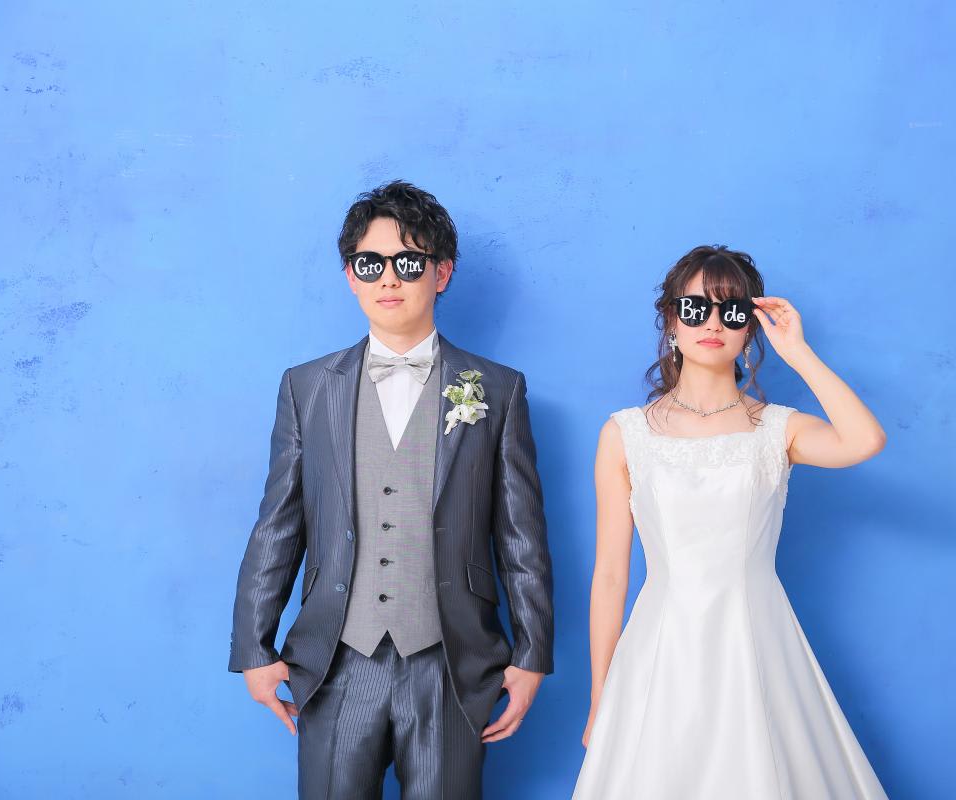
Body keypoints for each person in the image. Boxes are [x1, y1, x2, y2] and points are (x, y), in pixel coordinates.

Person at [228, 180, 554, 799]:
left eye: (407, 263)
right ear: (350, 277)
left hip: (452, 660)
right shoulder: (306, 388)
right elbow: (278, 524)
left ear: (441, 273)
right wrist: (254, 645)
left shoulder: (497, 388)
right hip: (335, 658)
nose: (388, 279)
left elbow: (521, 539)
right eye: (369, 264)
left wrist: (532, 654)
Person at [573, 245, 890, 798]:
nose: (713, 323)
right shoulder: (625, 433)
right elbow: (610, 576)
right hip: (660, 649)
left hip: (757, 640)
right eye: (695, 308)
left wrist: (798, 352)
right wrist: (601, 693)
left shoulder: (777, 428)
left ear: (751, 328)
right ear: (671, 320)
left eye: (733, 311)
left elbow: (864, 440)